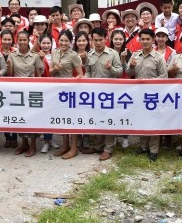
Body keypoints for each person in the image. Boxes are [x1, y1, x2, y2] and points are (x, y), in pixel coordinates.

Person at [81, 27, 123, 161]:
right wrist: (85, 77)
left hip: (109, 94)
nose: (98, 43)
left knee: (108, 121)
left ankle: (108, 149)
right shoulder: (90, 54)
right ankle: (96, 146)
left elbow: (120, 72)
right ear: (91, 40)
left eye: (100, 40)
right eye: (95, 40)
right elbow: (88, 70)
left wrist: (110, 68)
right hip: (93, 94)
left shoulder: (113, 54)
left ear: (106, 39)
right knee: (95, 119)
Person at [127, 28, 168, 161]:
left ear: (153, 40)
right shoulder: (135, 55)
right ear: (139, 40)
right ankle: (143, 147)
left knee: (154, 122)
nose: (145, 42)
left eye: (147, 39)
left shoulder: (159, 58)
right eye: (142, 39)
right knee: (141, 121)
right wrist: (131, 66)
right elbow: (129, 74)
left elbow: (164, 78)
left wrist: (149, 82)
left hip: (153, 96)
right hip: (138, 95)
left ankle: (154, 150)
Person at [7, 31, 45, 157]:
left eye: (24, 40)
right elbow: (9, 76)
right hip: (17, 92)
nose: (22, 42)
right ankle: (24, 143)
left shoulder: (34, 56)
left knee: (32, 118)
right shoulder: (12, 56)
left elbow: (39, 75)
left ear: (28, 40)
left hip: (32, 92)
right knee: (20, 119)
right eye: (20, 40)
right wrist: (9, 66)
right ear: (17, 40)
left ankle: (33, 144)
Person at [50, 29, 84, 159]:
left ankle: (74, 148)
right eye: (61, 40)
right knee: (63, 119)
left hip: (70, 91)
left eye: (66, 41)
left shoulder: (74, 55)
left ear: (70, 42)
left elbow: (80, 74)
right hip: (57, 90)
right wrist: (55, 69)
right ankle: (65, 146)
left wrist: (75, 80)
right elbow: (51, 73)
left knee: (71, 120)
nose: (63, 43)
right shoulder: (54, 52)